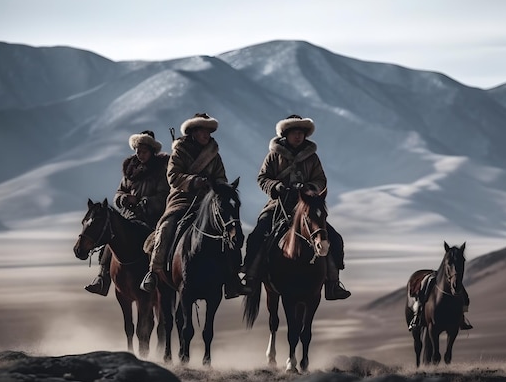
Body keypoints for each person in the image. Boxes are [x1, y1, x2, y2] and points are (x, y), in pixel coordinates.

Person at [242, 115, 351, 300]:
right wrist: (276, 187)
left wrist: (309, 189)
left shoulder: (312, 157)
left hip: (306, 206)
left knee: (333, 238)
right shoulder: (274, 155)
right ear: (286, 134)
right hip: (279, 205)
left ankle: (333, 283)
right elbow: (262, 178)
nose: (299, 136)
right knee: (257, 235)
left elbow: (320, 179)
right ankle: (250, 277)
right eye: (295, 132)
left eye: (301, 132)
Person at [140, 113, 249, 299]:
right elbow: (173, 177)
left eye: (208, 131)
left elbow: (221, 177)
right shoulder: (180, 152)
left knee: (228, 229)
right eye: (202, 130)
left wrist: (219, 187)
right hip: (182, 199)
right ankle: (154, 270)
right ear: (193, 132)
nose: (206, 134)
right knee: (166, 228)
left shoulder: (214, 155)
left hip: (208, 201)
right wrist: (195, 181)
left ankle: (232, 278)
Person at [85, 130, 170, 296]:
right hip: (128, 218)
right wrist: (124, 200)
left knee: (156, 245)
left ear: (152, 151)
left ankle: (155, 277)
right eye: (138, 151)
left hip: (151, 219)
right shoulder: (130, 171)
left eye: (143, 151)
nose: (140, 154)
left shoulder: (161, 171)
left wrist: (141, 202)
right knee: (111, 242)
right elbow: (118, 194)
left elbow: (163, 196)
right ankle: (102, 278)